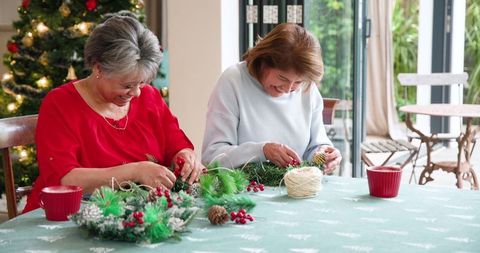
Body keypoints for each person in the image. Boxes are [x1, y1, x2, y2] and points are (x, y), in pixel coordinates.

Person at [23, 14, 203, 213]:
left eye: (141, 83)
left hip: (141, 215)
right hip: (68, 215)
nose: (136, 93)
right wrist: (135, 171)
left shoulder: (149, 97)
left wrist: (186, 157)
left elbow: (176, 145)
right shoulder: (60, 104)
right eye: (127, 85)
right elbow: (63, 178)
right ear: (98, 67)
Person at [202, 23, 342, 173]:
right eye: (283, 78)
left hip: (297, 190)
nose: (288, 89)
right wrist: (262, 151)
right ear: (263, 61)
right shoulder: (233, 81)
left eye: (298, 82)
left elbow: (314, 149)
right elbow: (211, 157)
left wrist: (323, 156)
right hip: (244, 191)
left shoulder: (308, 88)